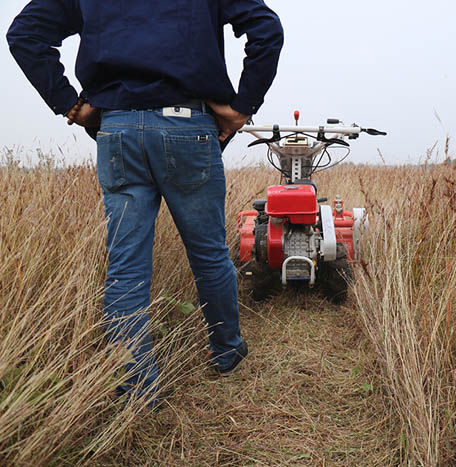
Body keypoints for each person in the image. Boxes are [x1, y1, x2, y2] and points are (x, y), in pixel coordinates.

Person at [7, 0, 283, 405]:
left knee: (125, 264)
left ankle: (137, 384)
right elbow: (266, 30)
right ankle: (226, 351)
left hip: (118, 131)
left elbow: (25, 33)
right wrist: (243, 107)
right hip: (188, 125)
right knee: (207, 252)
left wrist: (70, 103)